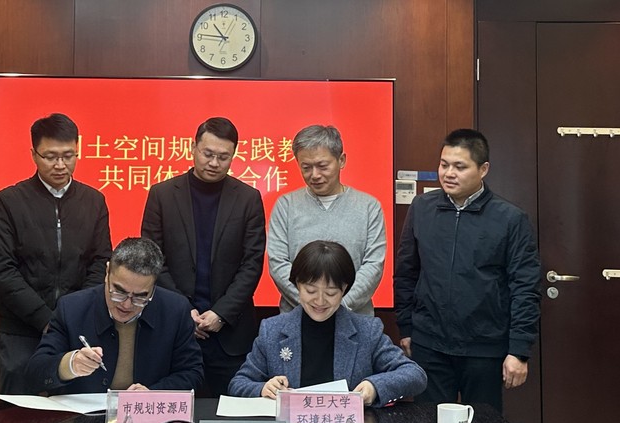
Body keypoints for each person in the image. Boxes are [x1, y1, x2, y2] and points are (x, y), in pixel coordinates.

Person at [394, 128, 541, 413]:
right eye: (444, 164)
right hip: (429, 344)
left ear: (483, 169)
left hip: (484, 348)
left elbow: (525, 288)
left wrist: (519, 350)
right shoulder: (422, 208)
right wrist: (407, 327)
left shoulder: (510, 219)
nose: (449, 173)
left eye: (460, 167)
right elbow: (406, 272)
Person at [0, 113, 112, 394]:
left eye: (68, 156)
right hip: (21, 331)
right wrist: (45, 319)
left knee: (74, 413)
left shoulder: (93, 201)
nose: (60, 165)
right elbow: (1, 269)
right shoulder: (10, 201)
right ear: (34, 154)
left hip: (75, 331)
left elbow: (100, 262)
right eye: (50, 157)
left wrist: (71, 316)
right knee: (18, 412)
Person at [141, 117, 265, 397]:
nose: (214, 163)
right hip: (173, 328)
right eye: (208, 154)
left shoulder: (248, 198)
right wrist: (183, 311)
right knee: (172, 413)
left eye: (224, 157)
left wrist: (222, 313)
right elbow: (153, 260)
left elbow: (252, 263)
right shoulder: (162, 195)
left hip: (230, 334)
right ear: (193, 147)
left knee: (232, 416)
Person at [229, 240, 426, 407]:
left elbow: (415, 375)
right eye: (311, 291)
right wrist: (263, 388)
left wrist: (374, 386)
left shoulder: (367, 331)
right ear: (297, 285)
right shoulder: (272, 330)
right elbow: (238, 383)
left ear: (344, 289)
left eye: (331, 293)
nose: (320, 301)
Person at [25, 237, 204, 394]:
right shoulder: (72, 308)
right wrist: (70, 365)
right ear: (107, 272)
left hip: (146, 416)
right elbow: (35, 373)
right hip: (83, 417)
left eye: (140, 297)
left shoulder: (175, 310)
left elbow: (192, 373)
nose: (126, 305)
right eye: (119, 291)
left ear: (154, 287)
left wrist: (152, 394)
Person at [268, 125, 386, 316]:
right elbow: (278, 263)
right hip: (296, 318)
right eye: (306, 167)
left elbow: (373, 265)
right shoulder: (286, 205)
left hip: (355, 318)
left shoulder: (368, 207)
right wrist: (313, 305)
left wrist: (338, 306)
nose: (314, 175)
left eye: (322, 166)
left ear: (341, 160)